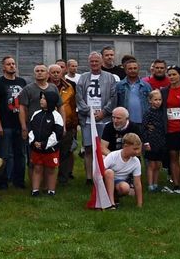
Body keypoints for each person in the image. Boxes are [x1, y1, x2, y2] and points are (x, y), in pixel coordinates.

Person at [76, 51, 118, 184]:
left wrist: (104, 112)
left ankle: (103, 174)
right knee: (88, 148)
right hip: (88, 119)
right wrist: (88, 111)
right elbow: (78, 97)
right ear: (89, 63)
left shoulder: (110, 77)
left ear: (101, 63)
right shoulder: (83, 78)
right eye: (92, 61)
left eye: (97, 61)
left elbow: (113, 97)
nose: (94, 64)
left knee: (103, 147)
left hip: (103, 118)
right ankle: (89, 177)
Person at [0, 56, 27, 189]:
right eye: (8, 64)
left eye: (13, 63)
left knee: (21, 154)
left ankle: (19, 181)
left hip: (19, 123)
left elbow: (25, 104)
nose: (12, 66)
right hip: (5, 124)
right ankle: (3, 181)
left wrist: (24, 125)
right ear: (3, 67)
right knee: (5, 154)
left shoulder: (22, 82)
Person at [26, 85, 64, 198]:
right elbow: (31, 129)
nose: (41, 100)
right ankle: (35, 190)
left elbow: (57, 134)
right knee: (37, 167)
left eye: (44, 98)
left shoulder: (56, 116)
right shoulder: (36, 114)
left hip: (50, 149)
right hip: (36, 148)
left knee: (51, 169)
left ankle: (51, 190)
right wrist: (34, 142)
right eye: (41, 98)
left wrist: (44, 144)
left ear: (50, 101)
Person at [49, 64, 78, 185]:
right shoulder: (45, 86)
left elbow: (73, 105)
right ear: (49, 74)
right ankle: (48, 178)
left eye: (58, 72)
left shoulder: (69, 87)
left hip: (67, 124)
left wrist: (74, 123)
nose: (56, 74)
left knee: (65, 152)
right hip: (49, 124)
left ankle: (63, 179)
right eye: (53, 72)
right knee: (49, 151)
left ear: (62, 73)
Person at [102, 134, 144, 208]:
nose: (137, 152)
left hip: (119, 183)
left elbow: (137, 183)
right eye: (135, 149)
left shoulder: (136, 161)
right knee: (109, 172)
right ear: (125, 146)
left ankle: (115, 198)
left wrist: (139, 204)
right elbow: (100, 171)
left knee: (125, 188)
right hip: (106, 182)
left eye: (139, 149)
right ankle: (111, 204)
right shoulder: (113, 156)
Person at [140, 89, 167, 192]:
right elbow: (143, 128)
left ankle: (156, 183)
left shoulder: (162, 112)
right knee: (151, 164)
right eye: (155, 100)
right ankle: (150, 184)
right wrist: (146, 142)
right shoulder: (148, 113)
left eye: (160, 99)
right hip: (151, 141)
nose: (158, 102)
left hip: (161, 141)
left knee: (158, 164)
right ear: (150, 100)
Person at [115, 57, 148, 124]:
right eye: (130, 69)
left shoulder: (146, 86)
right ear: (125, 70)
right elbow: (115, 104)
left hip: (143, 123)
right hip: (125, 123)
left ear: (138, 69)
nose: (132, 70)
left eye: (135, 68)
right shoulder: (119, 86)